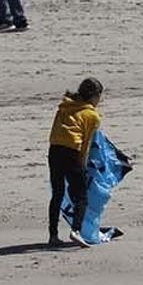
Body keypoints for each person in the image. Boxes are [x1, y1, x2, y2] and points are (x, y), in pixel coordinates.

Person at [48, 77, 104, 247]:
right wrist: (82, 164)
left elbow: (55, 130)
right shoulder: (92, 115)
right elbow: (86, 143)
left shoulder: (64, 107)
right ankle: (76, 231)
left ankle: (53, 235)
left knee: (57, 194)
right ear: (94, 96)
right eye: (99, 97)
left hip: (54, 150)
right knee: (81, 197)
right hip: (72, 152)